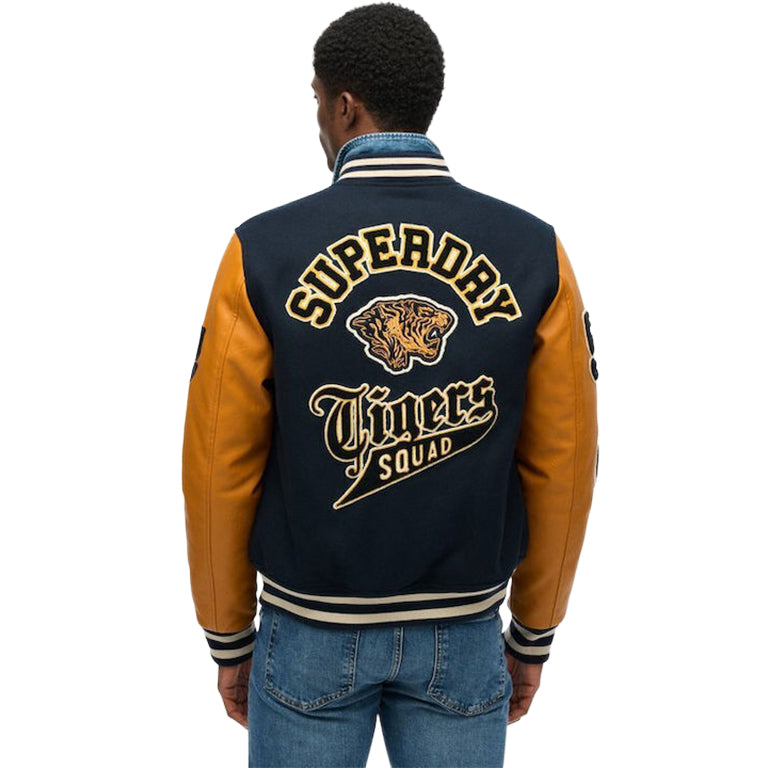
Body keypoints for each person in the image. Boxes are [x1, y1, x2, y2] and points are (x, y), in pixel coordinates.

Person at [181, 3, 599, 766]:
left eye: (316, 99)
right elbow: (564, 461)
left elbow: (218, 464)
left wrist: (227, 633)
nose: (316, 119)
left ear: (345, 106)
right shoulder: (535, 251)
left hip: (310, 631)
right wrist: (534, 629)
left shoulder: (261, 251)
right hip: (463, 633)